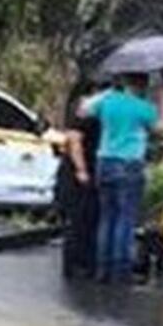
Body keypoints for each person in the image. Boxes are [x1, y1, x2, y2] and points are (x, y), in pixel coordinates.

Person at [85, 72, 163, 282]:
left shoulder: (108, 101)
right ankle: (120, 271)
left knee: (107, 217)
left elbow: (83, 109)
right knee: (125, 219)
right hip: (129, 164)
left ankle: (102, 270)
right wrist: (162, 96)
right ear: (143, 84)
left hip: (104, 161)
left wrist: (109, 91)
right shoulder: (142, 107)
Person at [56, 77, 106, 279]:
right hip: (79, 172)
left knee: (87, 218)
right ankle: (77, 265)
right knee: (80, 219)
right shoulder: (85, 109)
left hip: (86, 169)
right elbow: (74, 140)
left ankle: (82, 263)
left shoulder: (84, 107)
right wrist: (81, 169)